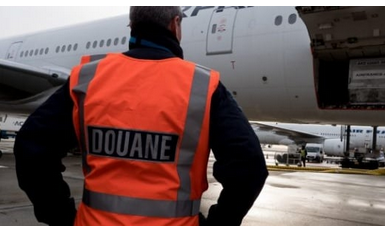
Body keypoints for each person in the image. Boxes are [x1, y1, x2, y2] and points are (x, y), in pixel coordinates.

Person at [14, 6, 268, 226]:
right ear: (175, 24)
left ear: (131, 26)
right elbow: (250, 168)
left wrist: (61, 216)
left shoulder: (87, 79)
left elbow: (30, 149)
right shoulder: (204, 87)